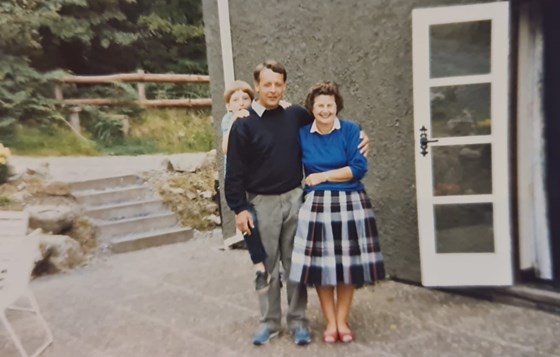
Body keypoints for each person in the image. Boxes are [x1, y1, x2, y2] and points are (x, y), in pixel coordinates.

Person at [225, 60, 369, 346]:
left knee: (296, 266)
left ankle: (298, 321)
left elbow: (328, 123)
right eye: (267, 84)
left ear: (285, 86)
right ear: (256, 87)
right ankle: (269, 323)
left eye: (278, 84)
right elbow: (234, 170)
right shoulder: (243, 124)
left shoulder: (295, 115)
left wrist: (362, 138)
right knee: (266, 267)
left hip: (295, 198)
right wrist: (239, 207)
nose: (273, 89)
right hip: (260, 204)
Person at [289, 80, 385, 344]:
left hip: (351, 203)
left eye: (329, 105)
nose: (324, 110)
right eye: (319, 105)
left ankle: (343, 321)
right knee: (323, 269)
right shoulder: (302, 134)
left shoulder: (352, 131)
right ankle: (330, 323)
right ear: (312, 107)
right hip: (317, 207)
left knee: (347, 269)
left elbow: (358, 167)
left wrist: (323, 176)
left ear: (337, 106)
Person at [220, 80, 271, 294]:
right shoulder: (228, 119)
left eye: (245, 98)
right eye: (235, 99)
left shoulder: (256, 118)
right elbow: (225, 148)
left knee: (264, 223)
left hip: (257, 180)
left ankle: (275, 265)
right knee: (248, 223)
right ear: (228, 105)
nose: (241, 103)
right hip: (238, 181)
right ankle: (260, 268)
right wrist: (234, 122)